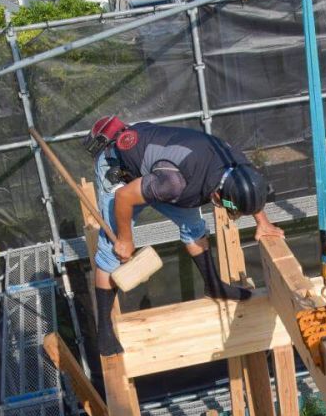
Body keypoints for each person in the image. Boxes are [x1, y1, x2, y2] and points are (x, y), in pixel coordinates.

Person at [84, 116, 284, 355]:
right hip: (119, 169)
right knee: (111, 250)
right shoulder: (174, 184)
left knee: (194, 228)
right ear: (218, 197)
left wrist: (263, 222)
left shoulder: (237, 166)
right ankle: (104, 331)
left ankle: (214, 286)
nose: (233, 215)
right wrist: (125, 239)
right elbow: (125, 197)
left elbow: (247, 190)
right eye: (231, 210)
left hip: (166, 164)